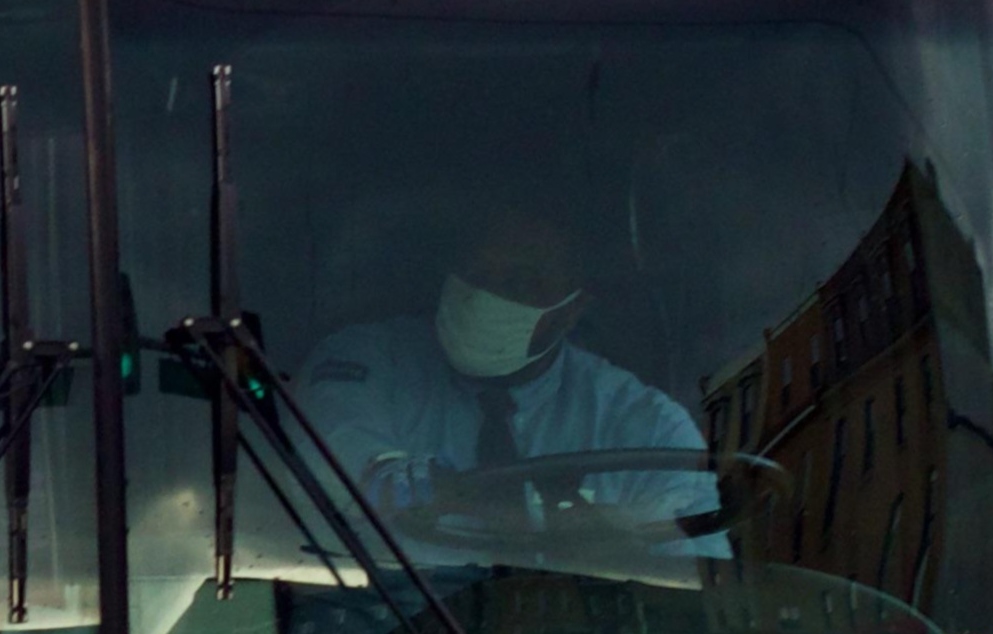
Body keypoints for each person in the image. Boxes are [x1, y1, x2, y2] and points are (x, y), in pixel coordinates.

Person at [281, 208, 722, 571]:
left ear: (572, 311)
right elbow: (331, 452)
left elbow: (700, 585)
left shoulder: (649, 431)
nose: (484, 296)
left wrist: (623, 553)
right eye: (475, 274)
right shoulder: (362, 364)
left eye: (520, 282)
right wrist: (405, 483)